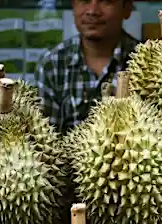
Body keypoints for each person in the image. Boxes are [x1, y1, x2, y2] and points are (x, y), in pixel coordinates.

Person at [34, 0, 139, 134]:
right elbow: (44, 140)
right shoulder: (51, 65)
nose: (92, 11)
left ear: (127, 8)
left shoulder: (146, 65)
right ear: (73, 6)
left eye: (105, 1)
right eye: (84, 1)